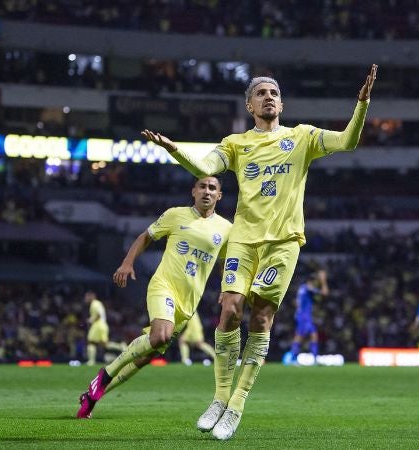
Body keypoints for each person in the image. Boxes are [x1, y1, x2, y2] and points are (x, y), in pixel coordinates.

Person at [141, 64, 378, 440]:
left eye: (273, 93)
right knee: (230, 309)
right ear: (250, 105)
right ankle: (219, 398)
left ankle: (237, 404)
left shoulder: (303, 137)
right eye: (261, 93)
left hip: (283, 242)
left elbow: (347, 141)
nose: (268, 97)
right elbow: (204, 166)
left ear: (281, 103)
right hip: (243, 239)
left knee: (262, 320)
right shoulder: (236, 143)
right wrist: (174, 150)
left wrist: (361, 105)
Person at [76, 176, 232, 419]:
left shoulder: (225, 229)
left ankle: (94, 396)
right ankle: (104, 375)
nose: (207, 191)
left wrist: (227, 287)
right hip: (164, 286)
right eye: (202, 186)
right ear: (193, 191)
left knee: (148, 355)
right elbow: (146, 236)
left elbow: (225, 261)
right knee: (161, 335)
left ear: (219, 195)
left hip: (188, 303)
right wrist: (127, 263)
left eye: (213, 188)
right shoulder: (175, 215)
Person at [290, 269, 329, 364]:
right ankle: (293, 358)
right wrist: (323, 280)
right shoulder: (308, 288)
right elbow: (325, 293)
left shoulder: (303, 288)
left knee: (313, 335)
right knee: (300, 336)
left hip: (304, 316)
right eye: (315, 280)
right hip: (304, 317)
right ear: (311, 280)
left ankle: (314, 358)